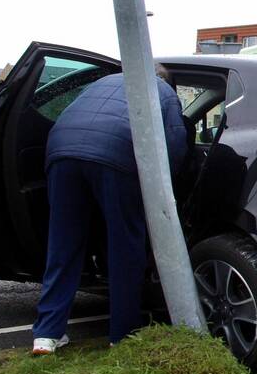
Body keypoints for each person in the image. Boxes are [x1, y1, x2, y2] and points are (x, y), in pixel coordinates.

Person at [31, 65, 188, 355]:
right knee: (125, 249)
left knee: (63, 246)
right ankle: (122, 334)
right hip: (116, 157)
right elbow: (175, 145)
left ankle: (46, 335)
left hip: (61, 152)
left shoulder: (103, 81)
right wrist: (166, 190)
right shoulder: (163, 91)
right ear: (167, 80)